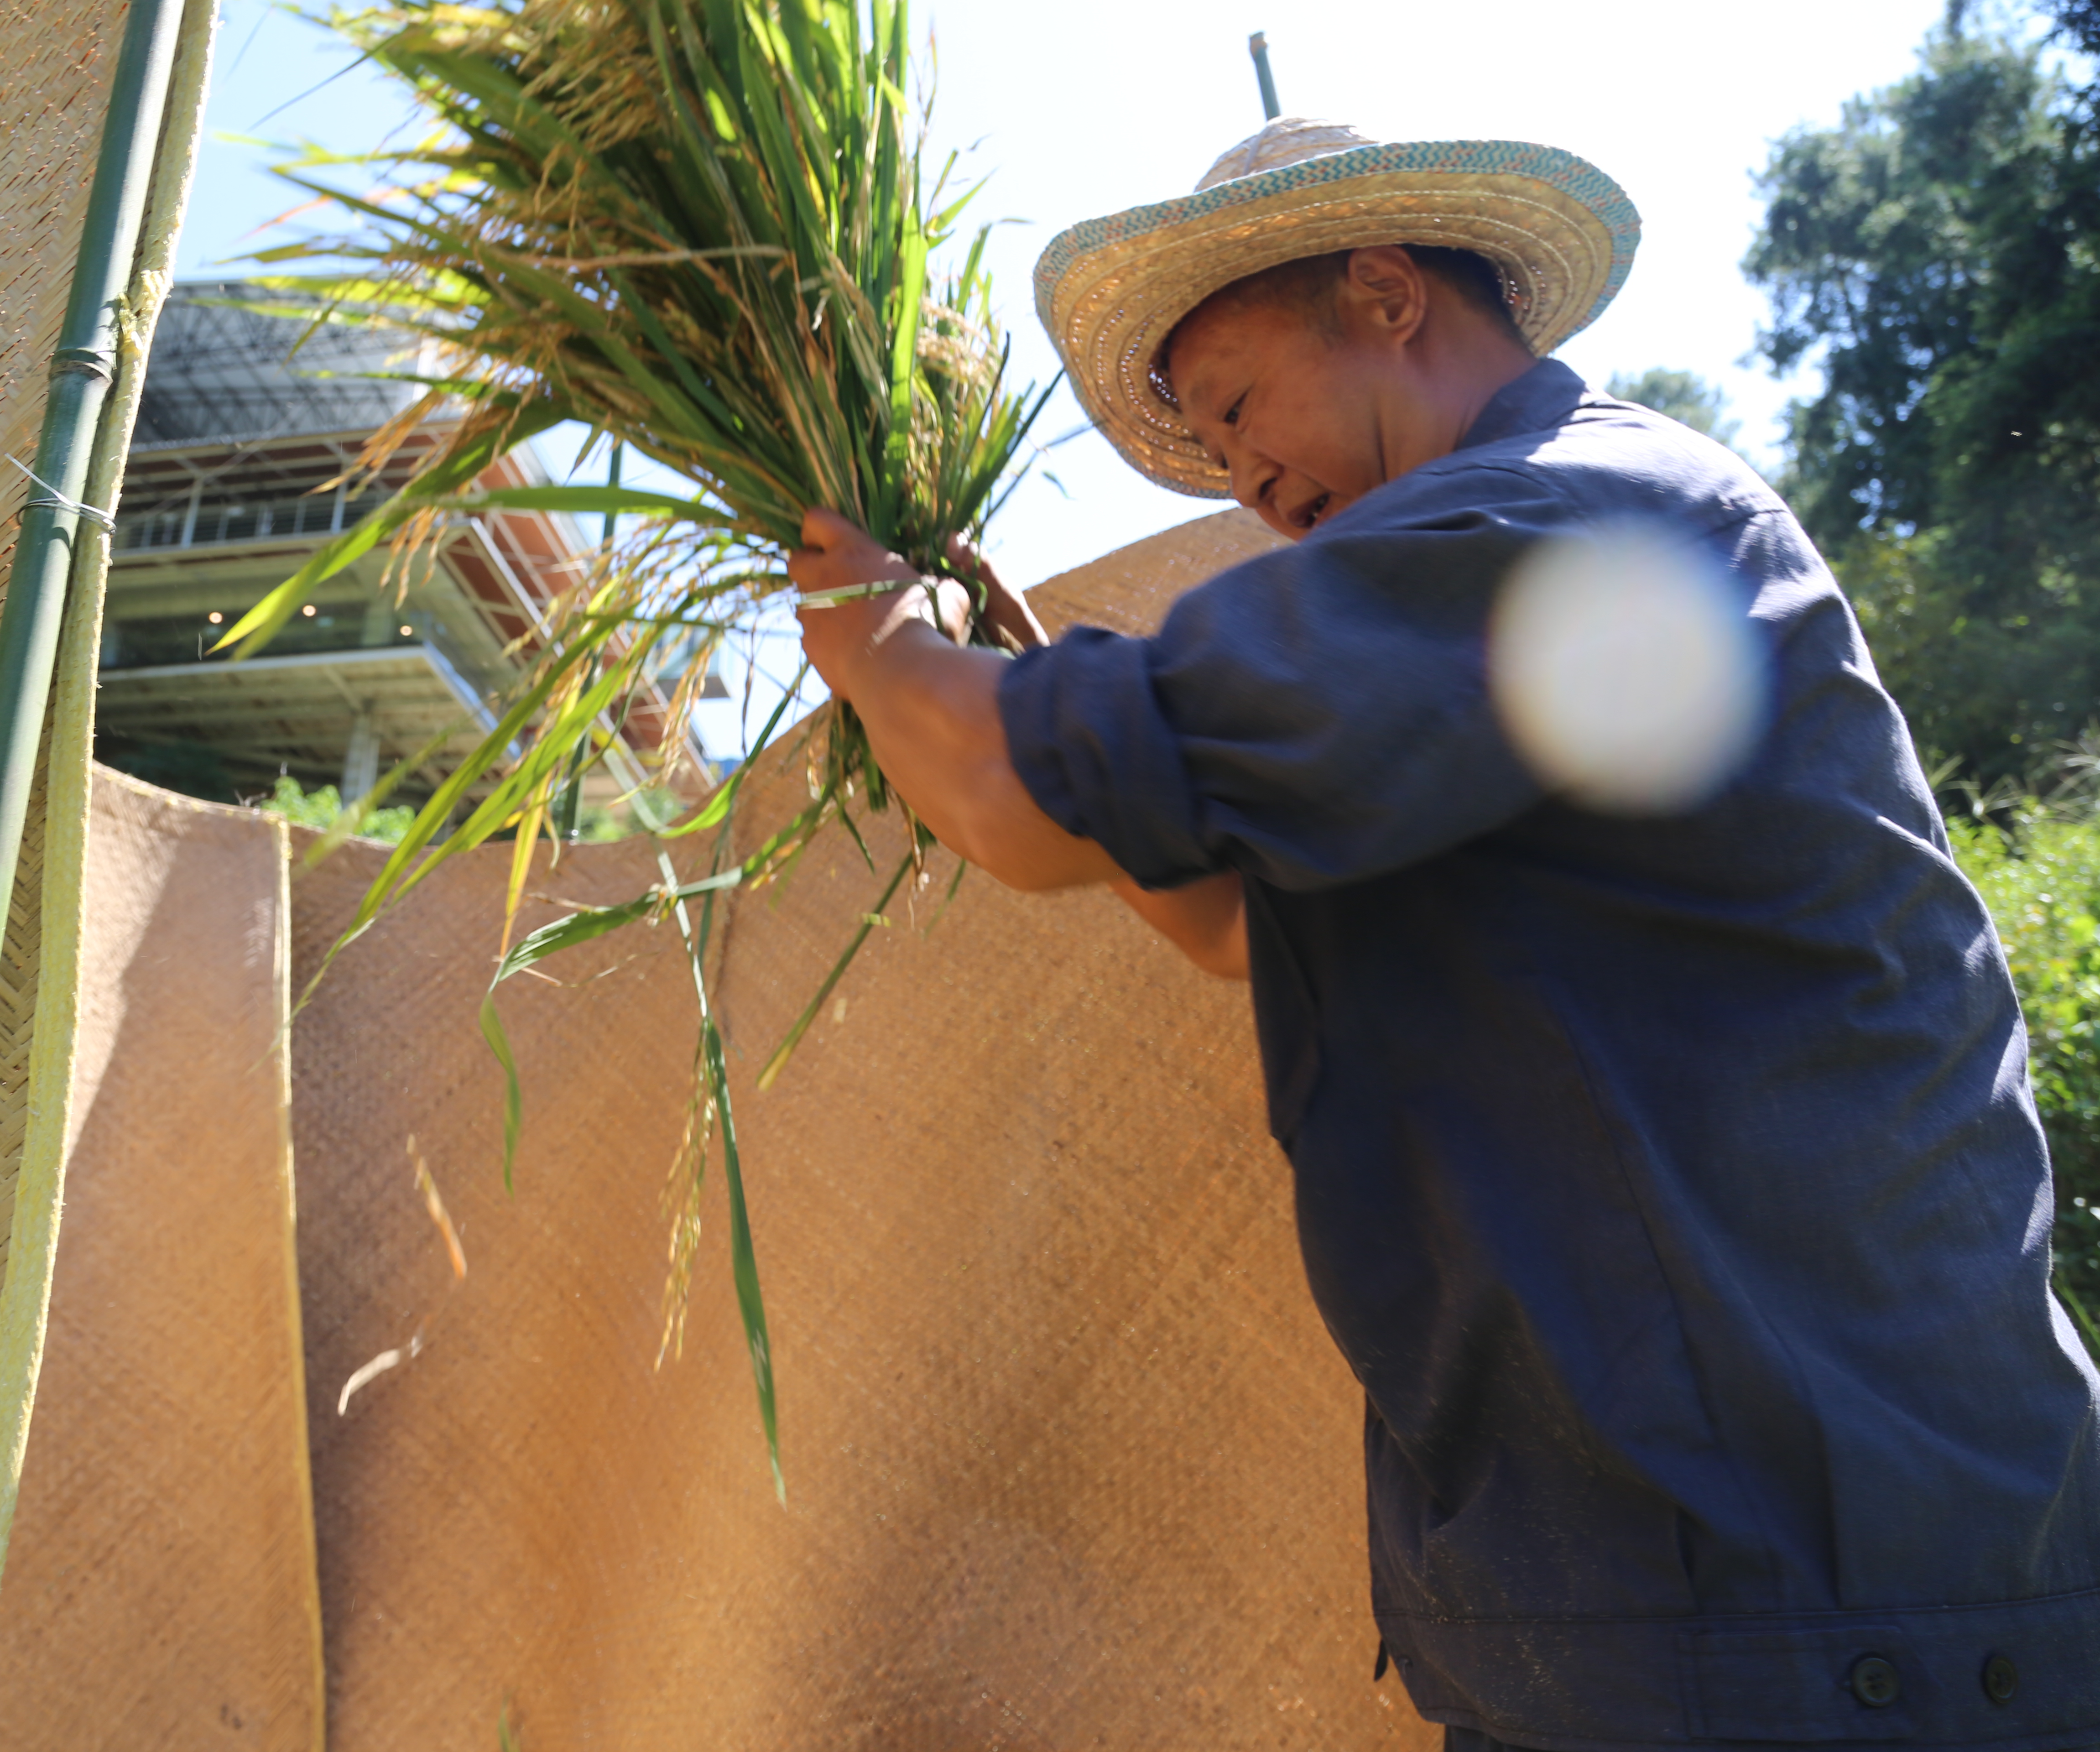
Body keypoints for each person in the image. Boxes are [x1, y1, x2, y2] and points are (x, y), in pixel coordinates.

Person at [790, 118, 2100, 1752]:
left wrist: (876, 645)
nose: (1244, 481)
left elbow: (1010, 795)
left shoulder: (1555, 517)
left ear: (1388, 293)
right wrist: (1017, 684)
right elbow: (1228, 923)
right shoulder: (1507, 597)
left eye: (1238, 408)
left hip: (1813, 1628)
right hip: (1710, 1621)